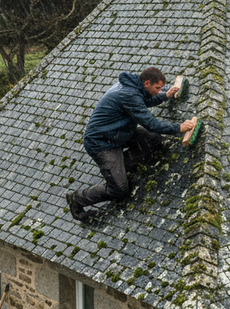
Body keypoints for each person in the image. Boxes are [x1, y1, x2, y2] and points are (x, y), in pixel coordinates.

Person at [66, 67, 195, 221]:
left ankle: (119, 167)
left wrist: (164, 96)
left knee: (154, 139)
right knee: (119, 189)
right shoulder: (128, 94)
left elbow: (144, 103)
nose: (158, 91)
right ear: (147, 83)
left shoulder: (135, 87)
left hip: (119, 133)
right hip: (101, 142)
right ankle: (76, 198)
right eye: (157, 88)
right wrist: (178, 128)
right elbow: (151, 123)